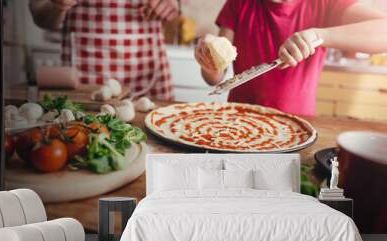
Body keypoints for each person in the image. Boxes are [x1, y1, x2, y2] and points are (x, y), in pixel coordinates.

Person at [195, 0, 387, 116]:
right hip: (238, 121)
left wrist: (319, 36)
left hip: (298, 127)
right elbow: (214, 78)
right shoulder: (239, 3)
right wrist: (210, 62)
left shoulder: (324, 3)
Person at [29, 0, 179, 100]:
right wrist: (57, 6)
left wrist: (176, 2)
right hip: (83, 76)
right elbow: (41, 17)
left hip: (148, 70)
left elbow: (188, 8)